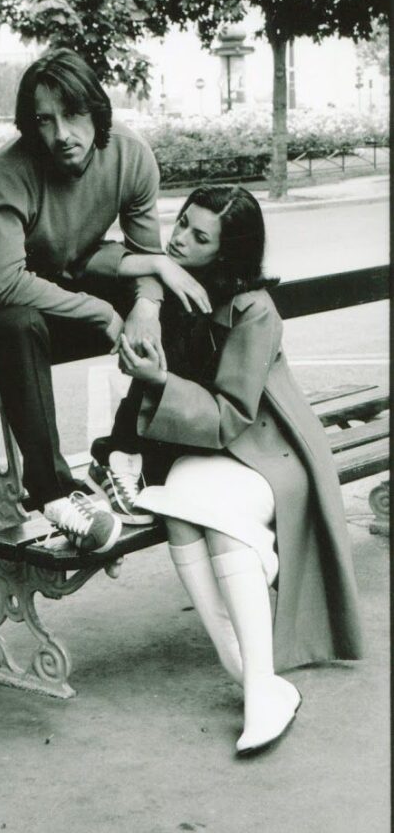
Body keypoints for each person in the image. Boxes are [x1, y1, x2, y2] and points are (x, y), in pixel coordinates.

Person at [76, 183, 363, 756]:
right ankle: (253, 678)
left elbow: (232, 416)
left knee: (211, 516)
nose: (181, 239)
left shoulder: (254, 310)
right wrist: (153, 272)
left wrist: (160, 381)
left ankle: (260, 687)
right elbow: (88, 260)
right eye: (182, 222)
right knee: (184, 512)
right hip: (202, 458)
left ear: (227, 252)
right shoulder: (168, 282)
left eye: (199, 237)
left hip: (267, 454)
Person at [0, 47, 210, 552]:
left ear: (96, 111)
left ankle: (122, 452)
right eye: (45, 119)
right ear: (30, 126)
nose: (62, 133)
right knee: (12, 324)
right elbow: (5, 282)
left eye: (73, 113)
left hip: (85, 273)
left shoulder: (130, 154)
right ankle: (55, 495)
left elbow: (146, 252)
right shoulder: (10, 170)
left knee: (179, 300)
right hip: (28, 293)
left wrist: (146, 306)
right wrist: (103, 312)